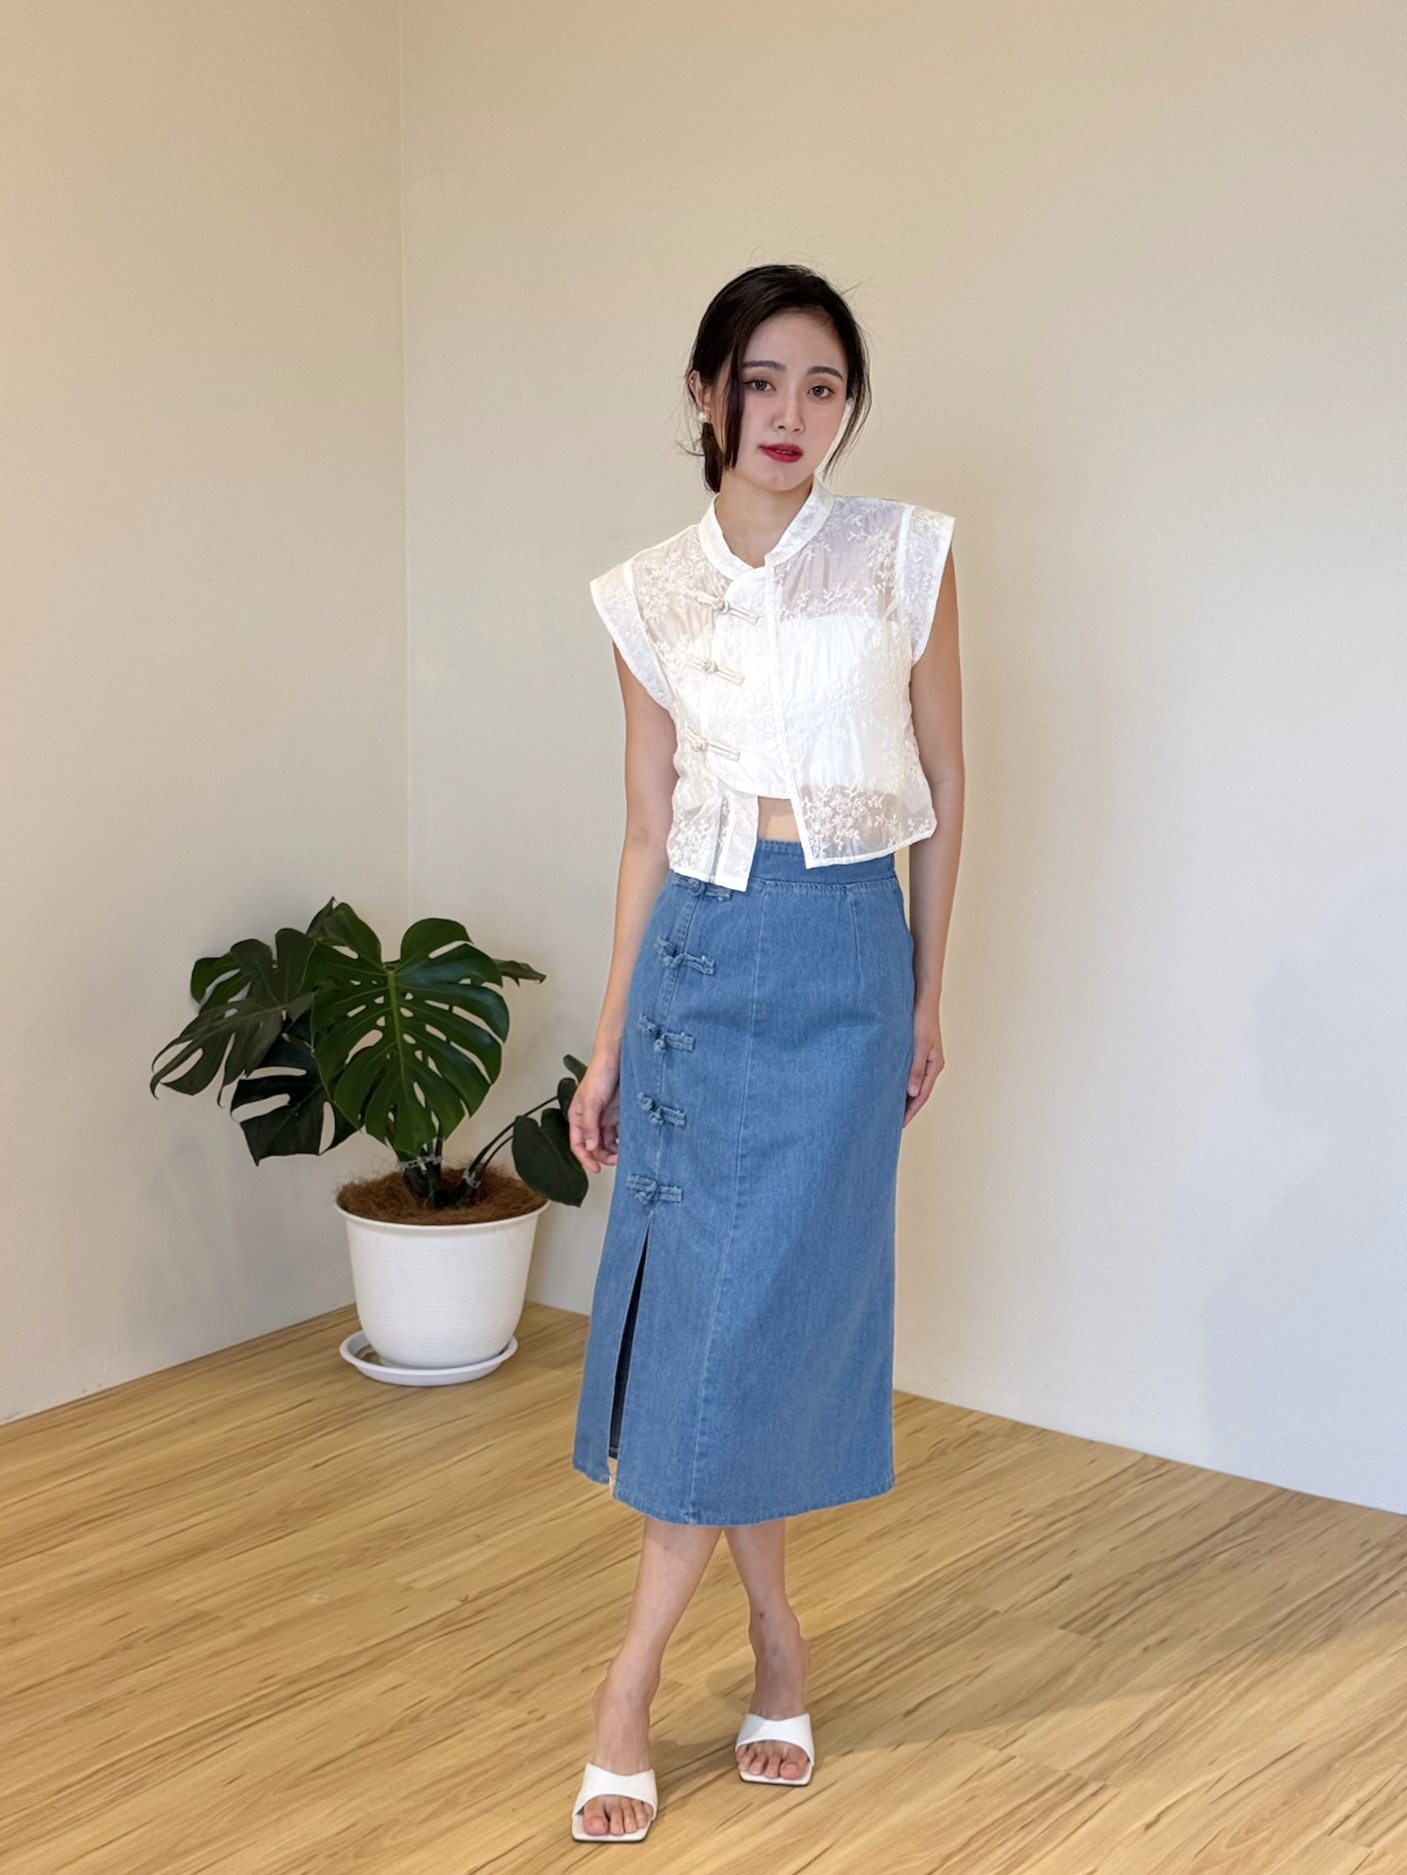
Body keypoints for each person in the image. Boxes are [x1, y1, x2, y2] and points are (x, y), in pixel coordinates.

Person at [565, 262, 963, 1842]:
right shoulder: (645, 593)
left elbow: (949, 787)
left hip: (850, 962)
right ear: (707, 393)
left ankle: (704, 1661)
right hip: (702, 961)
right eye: (762, 380)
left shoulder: (905, 554)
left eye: (824, 385)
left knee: (773, 1317)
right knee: (712, 1329)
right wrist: (606, 1045)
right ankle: (706, 1660)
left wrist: (927, 994)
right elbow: (644, 827)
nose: (792, 414)